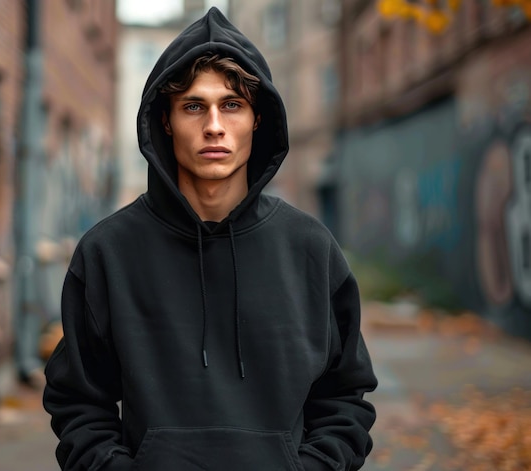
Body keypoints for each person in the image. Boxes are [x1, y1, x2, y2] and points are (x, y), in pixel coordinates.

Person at [43, 7, 377, 471]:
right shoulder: (109, 252)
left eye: (233, 105)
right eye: (194, 106)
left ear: (258, 119)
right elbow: (77, 402)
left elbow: (345, 399)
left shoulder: (310, 250)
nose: (214, 125)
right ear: (165, 120)